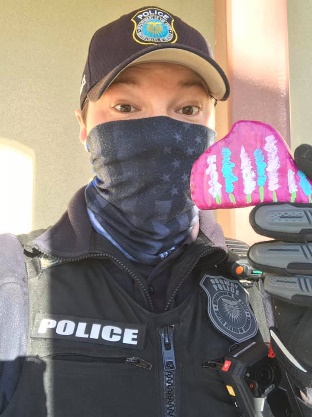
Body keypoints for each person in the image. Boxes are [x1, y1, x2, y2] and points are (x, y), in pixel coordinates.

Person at [0, 5, 312, 417]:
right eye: (126, 108)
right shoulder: (12, 279)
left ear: (212, 128)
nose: (160, 132)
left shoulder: (265, 282)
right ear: (83, 125)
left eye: (187, 110)